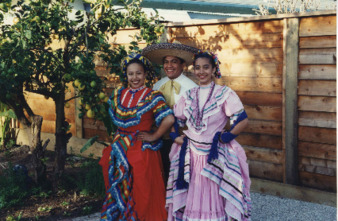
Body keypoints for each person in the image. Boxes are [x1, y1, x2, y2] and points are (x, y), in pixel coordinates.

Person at [166, 50, 252, 221]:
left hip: (214, 155)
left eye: (206, 67)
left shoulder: (224, 93)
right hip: (191, 153)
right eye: (197, 68)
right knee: (194, 192)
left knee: (213, 193)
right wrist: (175, 136)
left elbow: (242, 120)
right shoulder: (189, 95)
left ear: (214, 69)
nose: (201, 72)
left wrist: (225, 137)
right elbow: (175, 119)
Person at [99, 53, 175, 221]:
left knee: (142, 189)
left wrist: (154, 135)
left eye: (139, 73)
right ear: (126, 75)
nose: (135, 77)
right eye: (131, 73)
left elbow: (169, 119)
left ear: (145, 74)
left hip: (141, 148)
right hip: (120, 147)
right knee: (107, 164)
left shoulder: (152, 95)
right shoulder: (119, 94)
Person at [141, 42, 198, 184]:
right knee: (163, 174)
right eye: (166, 62)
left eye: (174, 62)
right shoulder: (158, 85)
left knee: (183, 176)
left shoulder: (192, 88)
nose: (169, 66)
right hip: (161, 139)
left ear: (182, 65)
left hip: (182, 140)